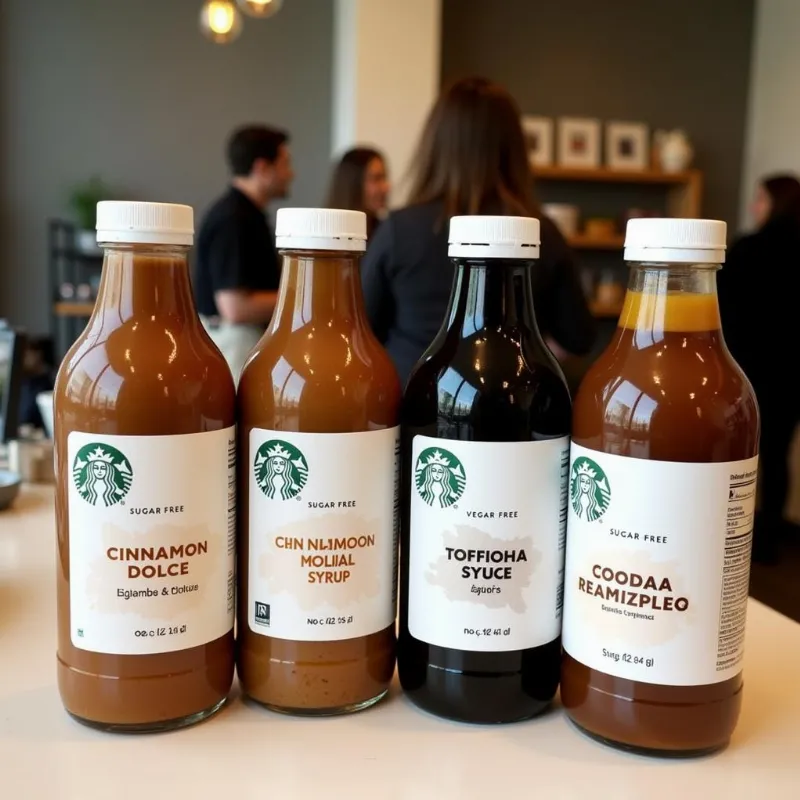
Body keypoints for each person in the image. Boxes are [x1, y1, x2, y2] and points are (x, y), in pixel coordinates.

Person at [360, 76, 595, 386]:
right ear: (514, 148)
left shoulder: (397, 231)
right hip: (512, 403)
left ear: (436, 144)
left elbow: (361, 333)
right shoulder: (541, 233)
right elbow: (578, 337)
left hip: (414, 402)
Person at [719, 173, 800, 564]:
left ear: (776, 203)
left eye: (760, 199)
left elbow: (724, 313)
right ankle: (769, 540)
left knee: (740, 452)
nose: (755, 207)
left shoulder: (750, 249)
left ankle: (733, 537)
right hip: (792, 373)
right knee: (778, 453)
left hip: (750, 369)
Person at [194, 124, 294, 381]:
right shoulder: (234, 219)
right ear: (262, 168)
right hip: (234, 342)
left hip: (238, 338)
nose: (291, 174)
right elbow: (235, 307)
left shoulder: (245, 215)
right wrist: (301, 296)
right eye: (285, 164)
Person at [325, 147, 390, 238]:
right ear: (352, 183)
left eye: (384, 178)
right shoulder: (326, 233)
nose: (386, 187)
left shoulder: (385, 231)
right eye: (376, 178)